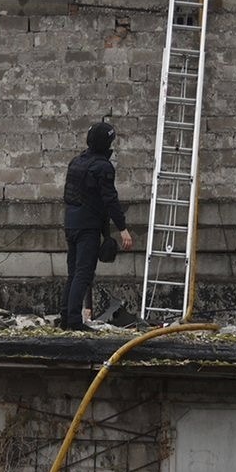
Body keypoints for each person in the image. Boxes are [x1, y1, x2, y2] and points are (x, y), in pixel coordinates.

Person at [60, 120, 133, 331]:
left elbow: (76, 196)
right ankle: (74, 321)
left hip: (71, 223)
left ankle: (66, 317)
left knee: (73, 273)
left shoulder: (76, 162)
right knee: (84, 273)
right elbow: (109, 200)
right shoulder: (103, 167)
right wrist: (122, 228)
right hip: (87, 227)